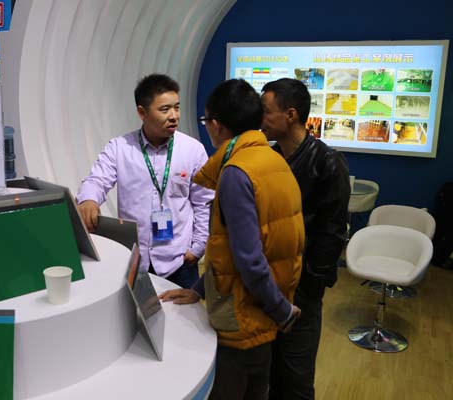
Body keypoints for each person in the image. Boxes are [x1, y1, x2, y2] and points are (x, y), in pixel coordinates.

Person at [160, 79, 305, 399]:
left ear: (216, 125)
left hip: (242, 319)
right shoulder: (275, 161)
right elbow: (251, 248)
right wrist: (198, 290)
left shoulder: (236, 173)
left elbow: (249, 260)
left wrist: (281, 310)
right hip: (262, 315)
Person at [76, 73, 213, 288]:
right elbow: (96, 180)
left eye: (177, 107)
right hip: (135, 260)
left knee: (185, 311)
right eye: (164, 109)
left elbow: (204, 202)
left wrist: (198, 247)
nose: (174, 116)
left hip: (179, 261)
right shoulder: (120, 148)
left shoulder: (192, 150)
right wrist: (88, 200)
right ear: (142, 112)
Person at [260, 78, 350, 400]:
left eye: (266, 111)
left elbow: (332, 231)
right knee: (269, 372)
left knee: (296, 377)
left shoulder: (327, 162)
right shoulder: (269, 158)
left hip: (302, 289)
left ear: (291, 115)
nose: (260, 118)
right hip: (269, 285)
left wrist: (308, 286)